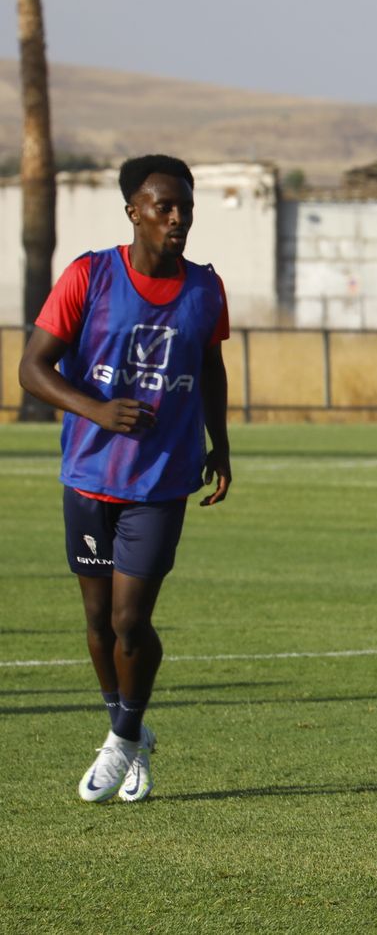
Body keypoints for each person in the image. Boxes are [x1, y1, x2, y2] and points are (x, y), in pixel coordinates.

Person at [17, 154, 231, 803]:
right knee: (96, 621)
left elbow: (211, 368)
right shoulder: (89, 275)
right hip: (87, 476)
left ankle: (122, 738)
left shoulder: (205, 289)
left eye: (186, 208)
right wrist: (98, 410)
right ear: (133, 210)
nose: (178, 218)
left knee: (130, 621)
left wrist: (220, 444)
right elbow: (32, 369)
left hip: (161, 484)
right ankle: (128, 727)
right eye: (164, 206)